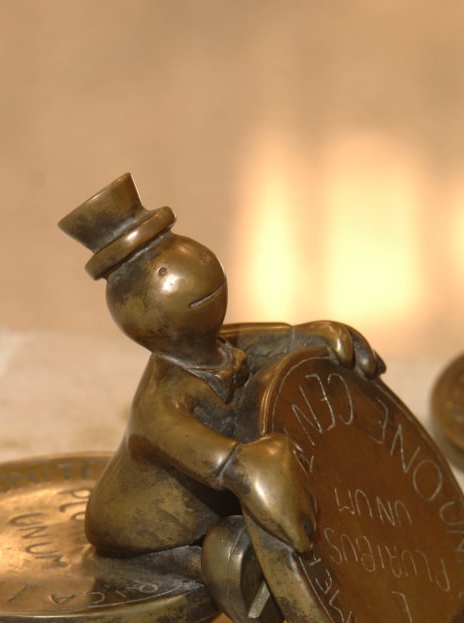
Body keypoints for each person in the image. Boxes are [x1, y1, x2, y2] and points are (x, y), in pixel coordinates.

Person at [60, 174, 383, 557]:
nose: (197, 270)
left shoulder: (217, 348)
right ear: (132, 309)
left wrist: (308, 337)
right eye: (163, 272)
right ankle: (201, 568)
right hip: (141, 530)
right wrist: (256, 465)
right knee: (222, 559)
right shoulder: (160, 406)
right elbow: (226, 462)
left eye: (188, 252)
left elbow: (266, 339)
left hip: (208, 502)